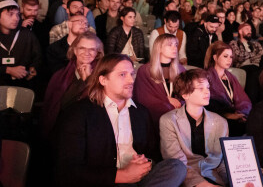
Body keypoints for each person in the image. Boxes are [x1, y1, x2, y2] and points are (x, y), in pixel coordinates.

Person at [53, 54, 186, 187]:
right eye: (122, 75)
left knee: (176, 167)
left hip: (142, 179)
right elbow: (69, 170)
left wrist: (144, 162)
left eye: (132, 74)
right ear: (103, 80)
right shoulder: (78, 113)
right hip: (106, 180)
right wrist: (122, 175)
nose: (131, 80)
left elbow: (153, 153)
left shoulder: (141, 112)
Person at [159, 69, 228, 187]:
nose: (207, 92)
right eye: (201, 88)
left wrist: (236, 181)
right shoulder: (168, 121)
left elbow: (221, 162)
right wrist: (204, 185)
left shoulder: (221, 122)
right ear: (185, 94)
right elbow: (176, 162)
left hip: (214, 177)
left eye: (208, 87)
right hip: (184, 179)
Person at [40, 32, 104, 139]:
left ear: (97, 53)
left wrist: (88, 80)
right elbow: (59, 105)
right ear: (75, 50)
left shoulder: (103, 76)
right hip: (61, 128)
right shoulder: (59, 75)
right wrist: (81, 83)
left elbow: (100, 107)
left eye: (92, 49)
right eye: (82, 48)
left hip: (90, 130)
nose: (86, 53)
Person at [134, 34, 186, 132]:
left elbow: (188, 93)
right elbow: (144, 98)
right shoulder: (145, 70)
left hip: (179, 115)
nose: (174, 48)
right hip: (155, 117)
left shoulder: (181, 69)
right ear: (159, 48)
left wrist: (180, 103)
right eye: (169, 45)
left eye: (175, 45)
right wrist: (167, 101)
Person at [203, 41, 251, 137]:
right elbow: (208, 104)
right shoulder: (206, 77)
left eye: (231, 57)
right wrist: (228, 115)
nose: (229, 60)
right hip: (216, 117)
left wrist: (241, 113)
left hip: (235, 115)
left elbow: (243, 99)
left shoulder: (231, 77)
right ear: (215, 57)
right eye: (225, 56)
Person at [0, 0, 41, 88]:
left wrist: (33, 67)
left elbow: (37, 55)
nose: (16, 18)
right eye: (10, 14)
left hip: (22, 84)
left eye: (17, 14)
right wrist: (8, 70)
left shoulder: (27, 34)